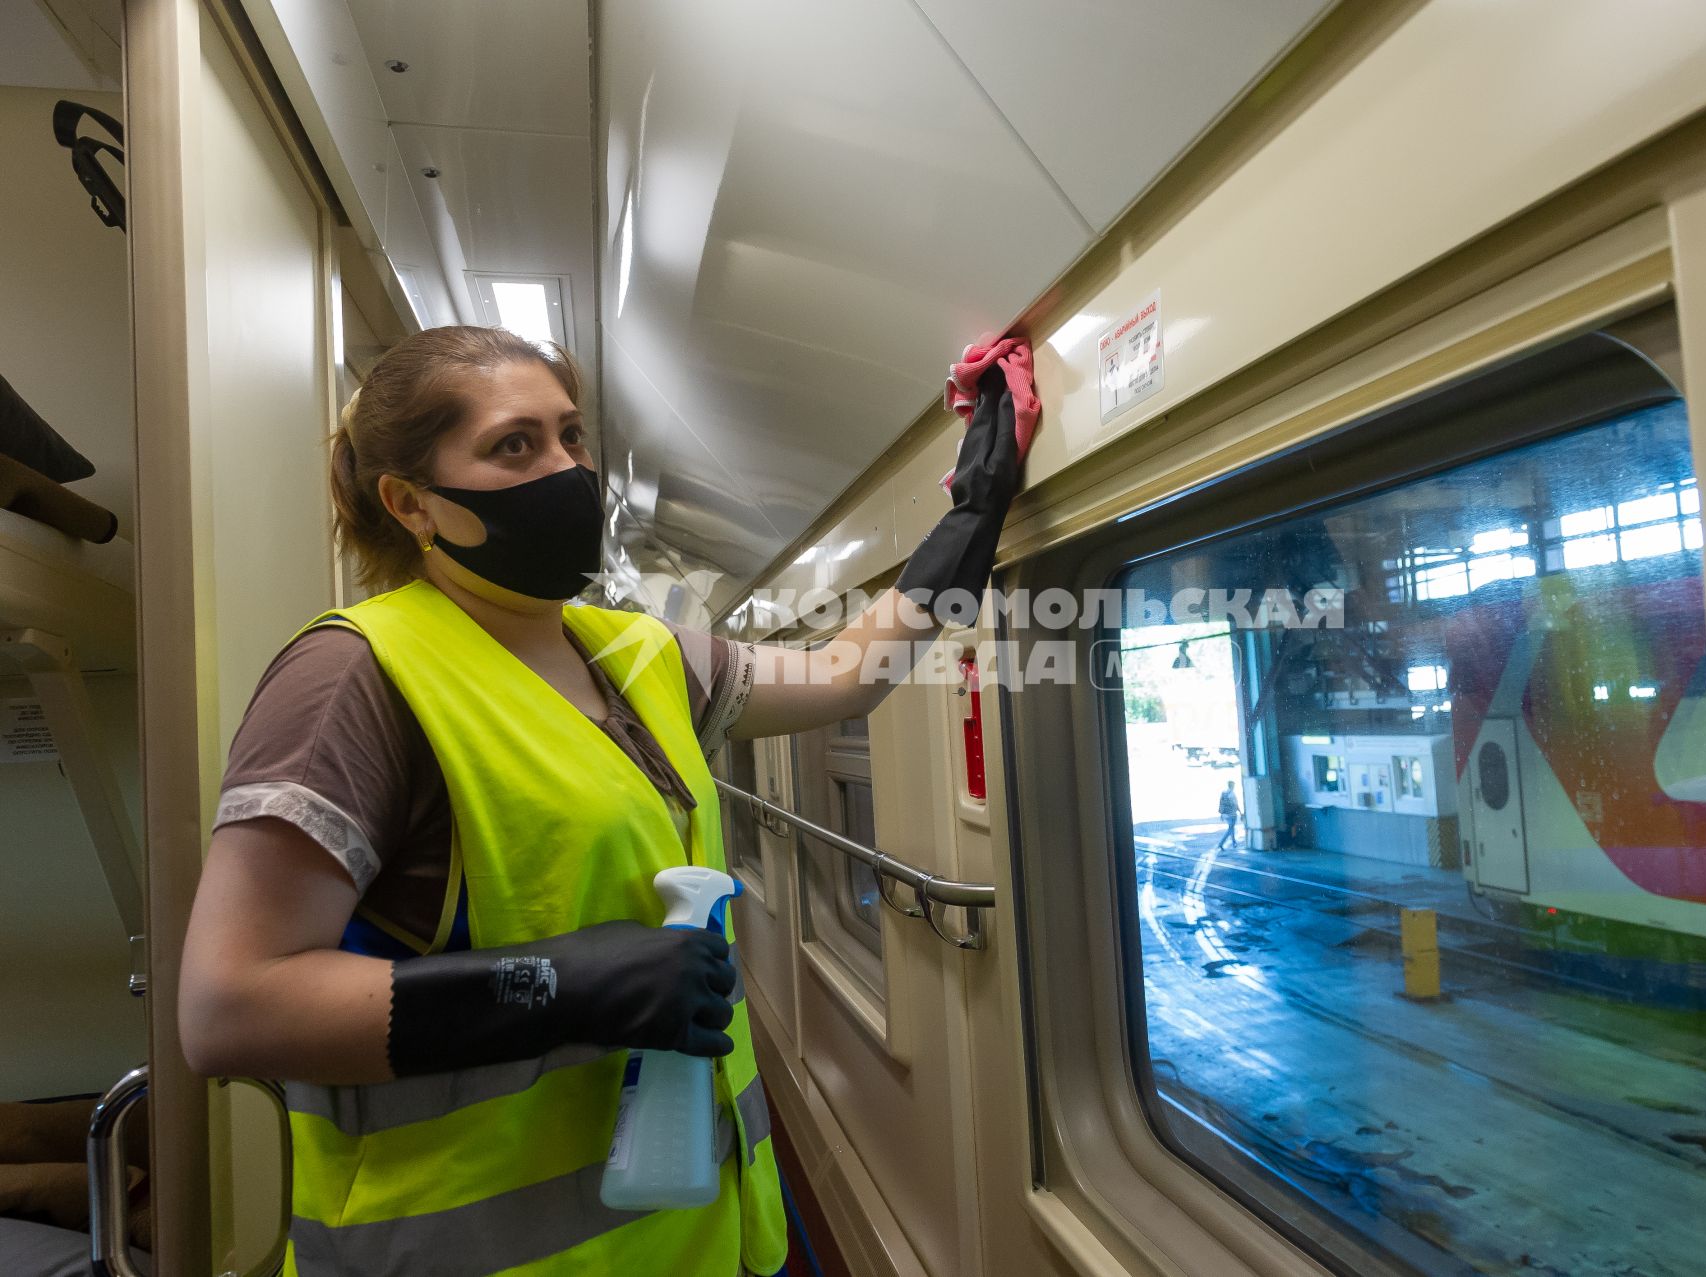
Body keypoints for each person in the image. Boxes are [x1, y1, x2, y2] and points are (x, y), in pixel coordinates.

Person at [176, 326, 1024, 1277]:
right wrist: (557, 983)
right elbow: (227, 1009)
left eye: (572, 435)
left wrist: (974, 513)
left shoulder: (637, 652)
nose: (568, 469)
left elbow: (843, 676)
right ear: (411, 502)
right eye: (514, 445)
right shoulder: (353, 678)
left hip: (695, 1238)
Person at [1217, 779, 1240, 850]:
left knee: (1231, 828)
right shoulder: (1232, 794)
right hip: (1232, 815)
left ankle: (1234, 842)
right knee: (1230, 829)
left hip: (1226, 815)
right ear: (1232, 785)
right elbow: (1236, 805)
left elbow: (1221, 804)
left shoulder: (1224, 793)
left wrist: (1221, 814)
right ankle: (1221, 843)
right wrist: (1240, 812)